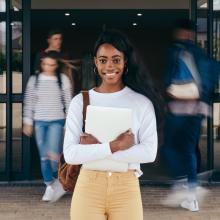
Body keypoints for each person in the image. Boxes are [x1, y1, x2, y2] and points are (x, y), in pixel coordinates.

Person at [63, 30, 160, 220]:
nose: (109, 66)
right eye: (103, 60)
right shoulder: (80, 101)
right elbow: (71, 154)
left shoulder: (141, 103)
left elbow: (149, 152)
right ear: (95, 62)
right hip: (88, 187)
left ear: (125, 63)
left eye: (116, 60)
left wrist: (96, 149)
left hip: (126, 188)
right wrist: (115, 146)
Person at [161, 19, 217, 211]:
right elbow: (211, 74)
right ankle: (191, 194)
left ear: (181, 32)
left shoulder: (177, 50)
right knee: (189, 149)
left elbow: (168, 79)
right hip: (198, 109)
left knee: (169, 147)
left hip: (179, 108)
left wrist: (167, 91)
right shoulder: (201, 54)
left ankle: (181, 183)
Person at [23, 51, 72, 202]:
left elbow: (69, 101)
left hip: (56, 121)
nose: (47, 67)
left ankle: (58, 181)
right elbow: (29, 101)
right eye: (45, 64)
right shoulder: (34, 80)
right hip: (39, 122)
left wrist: (69, 124)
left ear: (56, 65)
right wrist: (28, 121)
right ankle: (49, 185)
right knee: (44, 156)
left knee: (52, 155)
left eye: (51, 65)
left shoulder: (62, 79)